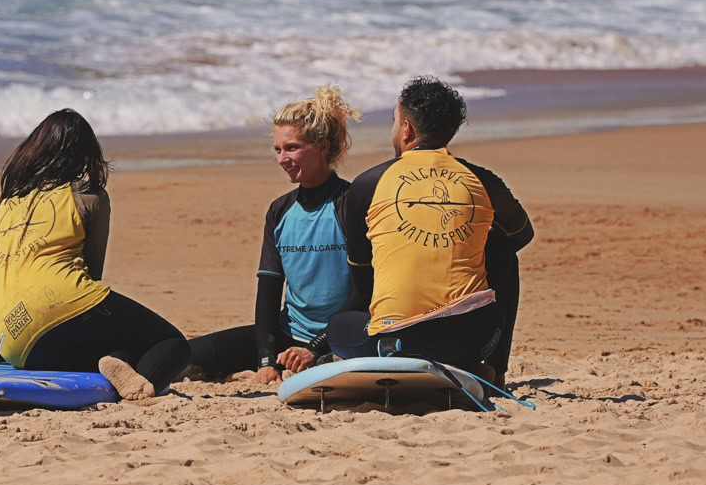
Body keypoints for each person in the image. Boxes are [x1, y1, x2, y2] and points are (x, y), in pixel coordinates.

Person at [327, 76, 533, 389]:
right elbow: (521, 234)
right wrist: (462, 241)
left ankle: (397, 353)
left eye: (394, 121)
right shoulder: (481, 179)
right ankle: (493, 370)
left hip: (394, 343)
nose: (394, 130)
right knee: (500, 248)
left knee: (339, 327)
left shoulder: (367, 185)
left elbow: (362, 280)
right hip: (471, 340)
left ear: (407, 129)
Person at [0, 108, 190, 400]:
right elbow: (92, 273)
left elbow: (0, 277)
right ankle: (137, 386)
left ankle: (117, 364)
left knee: (98, 347)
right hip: (62, 300)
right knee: (171, 342)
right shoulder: (88, 195)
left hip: (10, 340)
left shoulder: (7, 203)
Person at [185, 86, 362, 386]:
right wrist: (266, 360)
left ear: (322, 146)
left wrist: (313, 348)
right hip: (287, 335)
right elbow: (268, 290)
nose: (282, 159)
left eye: (292, 147)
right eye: (278, 150)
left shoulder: (350, 203)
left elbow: (364, 292)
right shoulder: (280, 211)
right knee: (186, 356)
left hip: (341, 336)